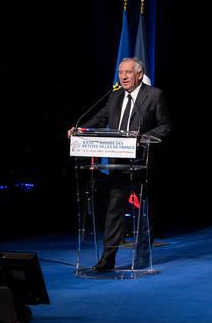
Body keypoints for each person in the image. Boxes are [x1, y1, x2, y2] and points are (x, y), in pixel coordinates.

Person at [68, 57, 172, 272]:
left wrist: (144, 137)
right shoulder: (114, 96)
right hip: (119, 164)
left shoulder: (154, 95)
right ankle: (108, 259)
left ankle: (142, 257)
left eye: (127, 72)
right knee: (114, 210)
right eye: (120, 72)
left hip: (144, 163)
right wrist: (80, 130)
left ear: (139, 74)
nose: (123, 76)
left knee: (145, 211)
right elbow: (100, 119)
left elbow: (165, 125)